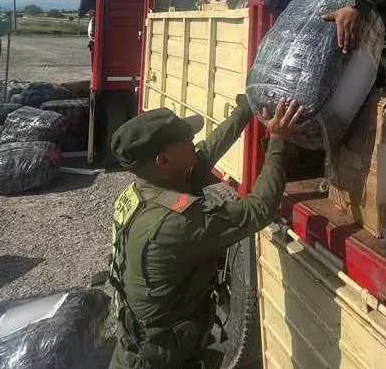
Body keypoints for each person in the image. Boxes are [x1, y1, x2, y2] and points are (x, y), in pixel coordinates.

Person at [107, 95, 304, 369]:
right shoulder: (175, 223)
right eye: (186, 140)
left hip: (142, 347)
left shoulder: (142, 190)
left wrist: (246, 109)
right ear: (163, 160)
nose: (194, 144)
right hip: (162, 361)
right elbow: (257, 211)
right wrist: (279, 140)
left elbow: (205, 152)